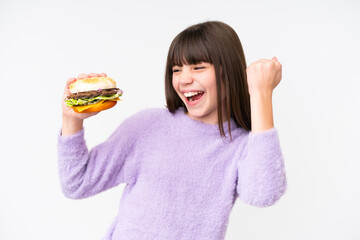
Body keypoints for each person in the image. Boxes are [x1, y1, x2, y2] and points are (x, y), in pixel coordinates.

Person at [58, 21, 286, 240]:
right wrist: (71, 120)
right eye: (176, 70)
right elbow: (77, 183)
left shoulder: (244, 146)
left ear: (229, 72)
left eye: (198, 67)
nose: (184, 79)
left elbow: (263, 193)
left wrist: (261, 93)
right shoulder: (147, 126)